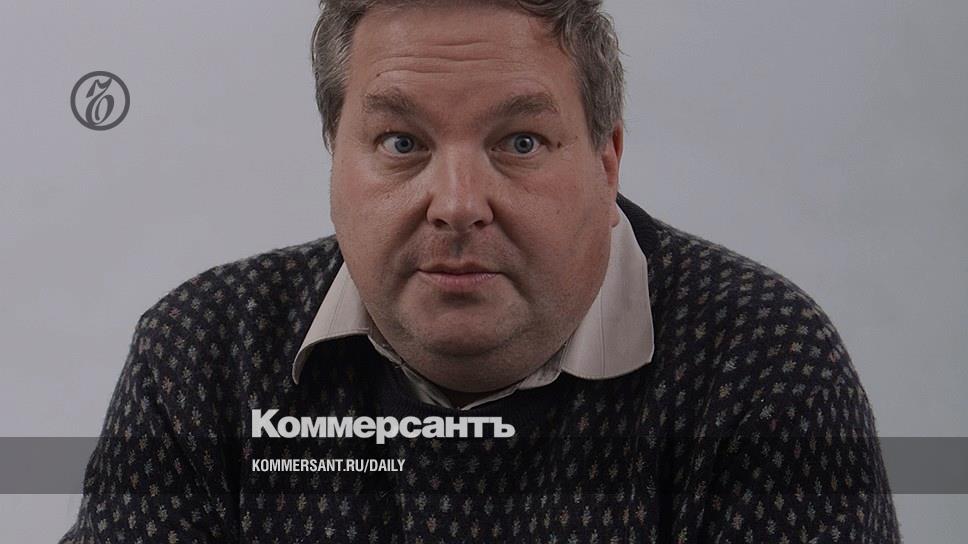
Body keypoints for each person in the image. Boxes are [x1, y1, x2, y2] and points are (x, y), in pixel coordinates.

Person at [62, 0, 901, 542]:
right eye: (402, 142)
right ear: (334, 156)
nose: (458, 204)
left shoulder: (762, 364)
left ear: (607, 161)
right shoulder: (203, 355)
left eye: (520, 142)